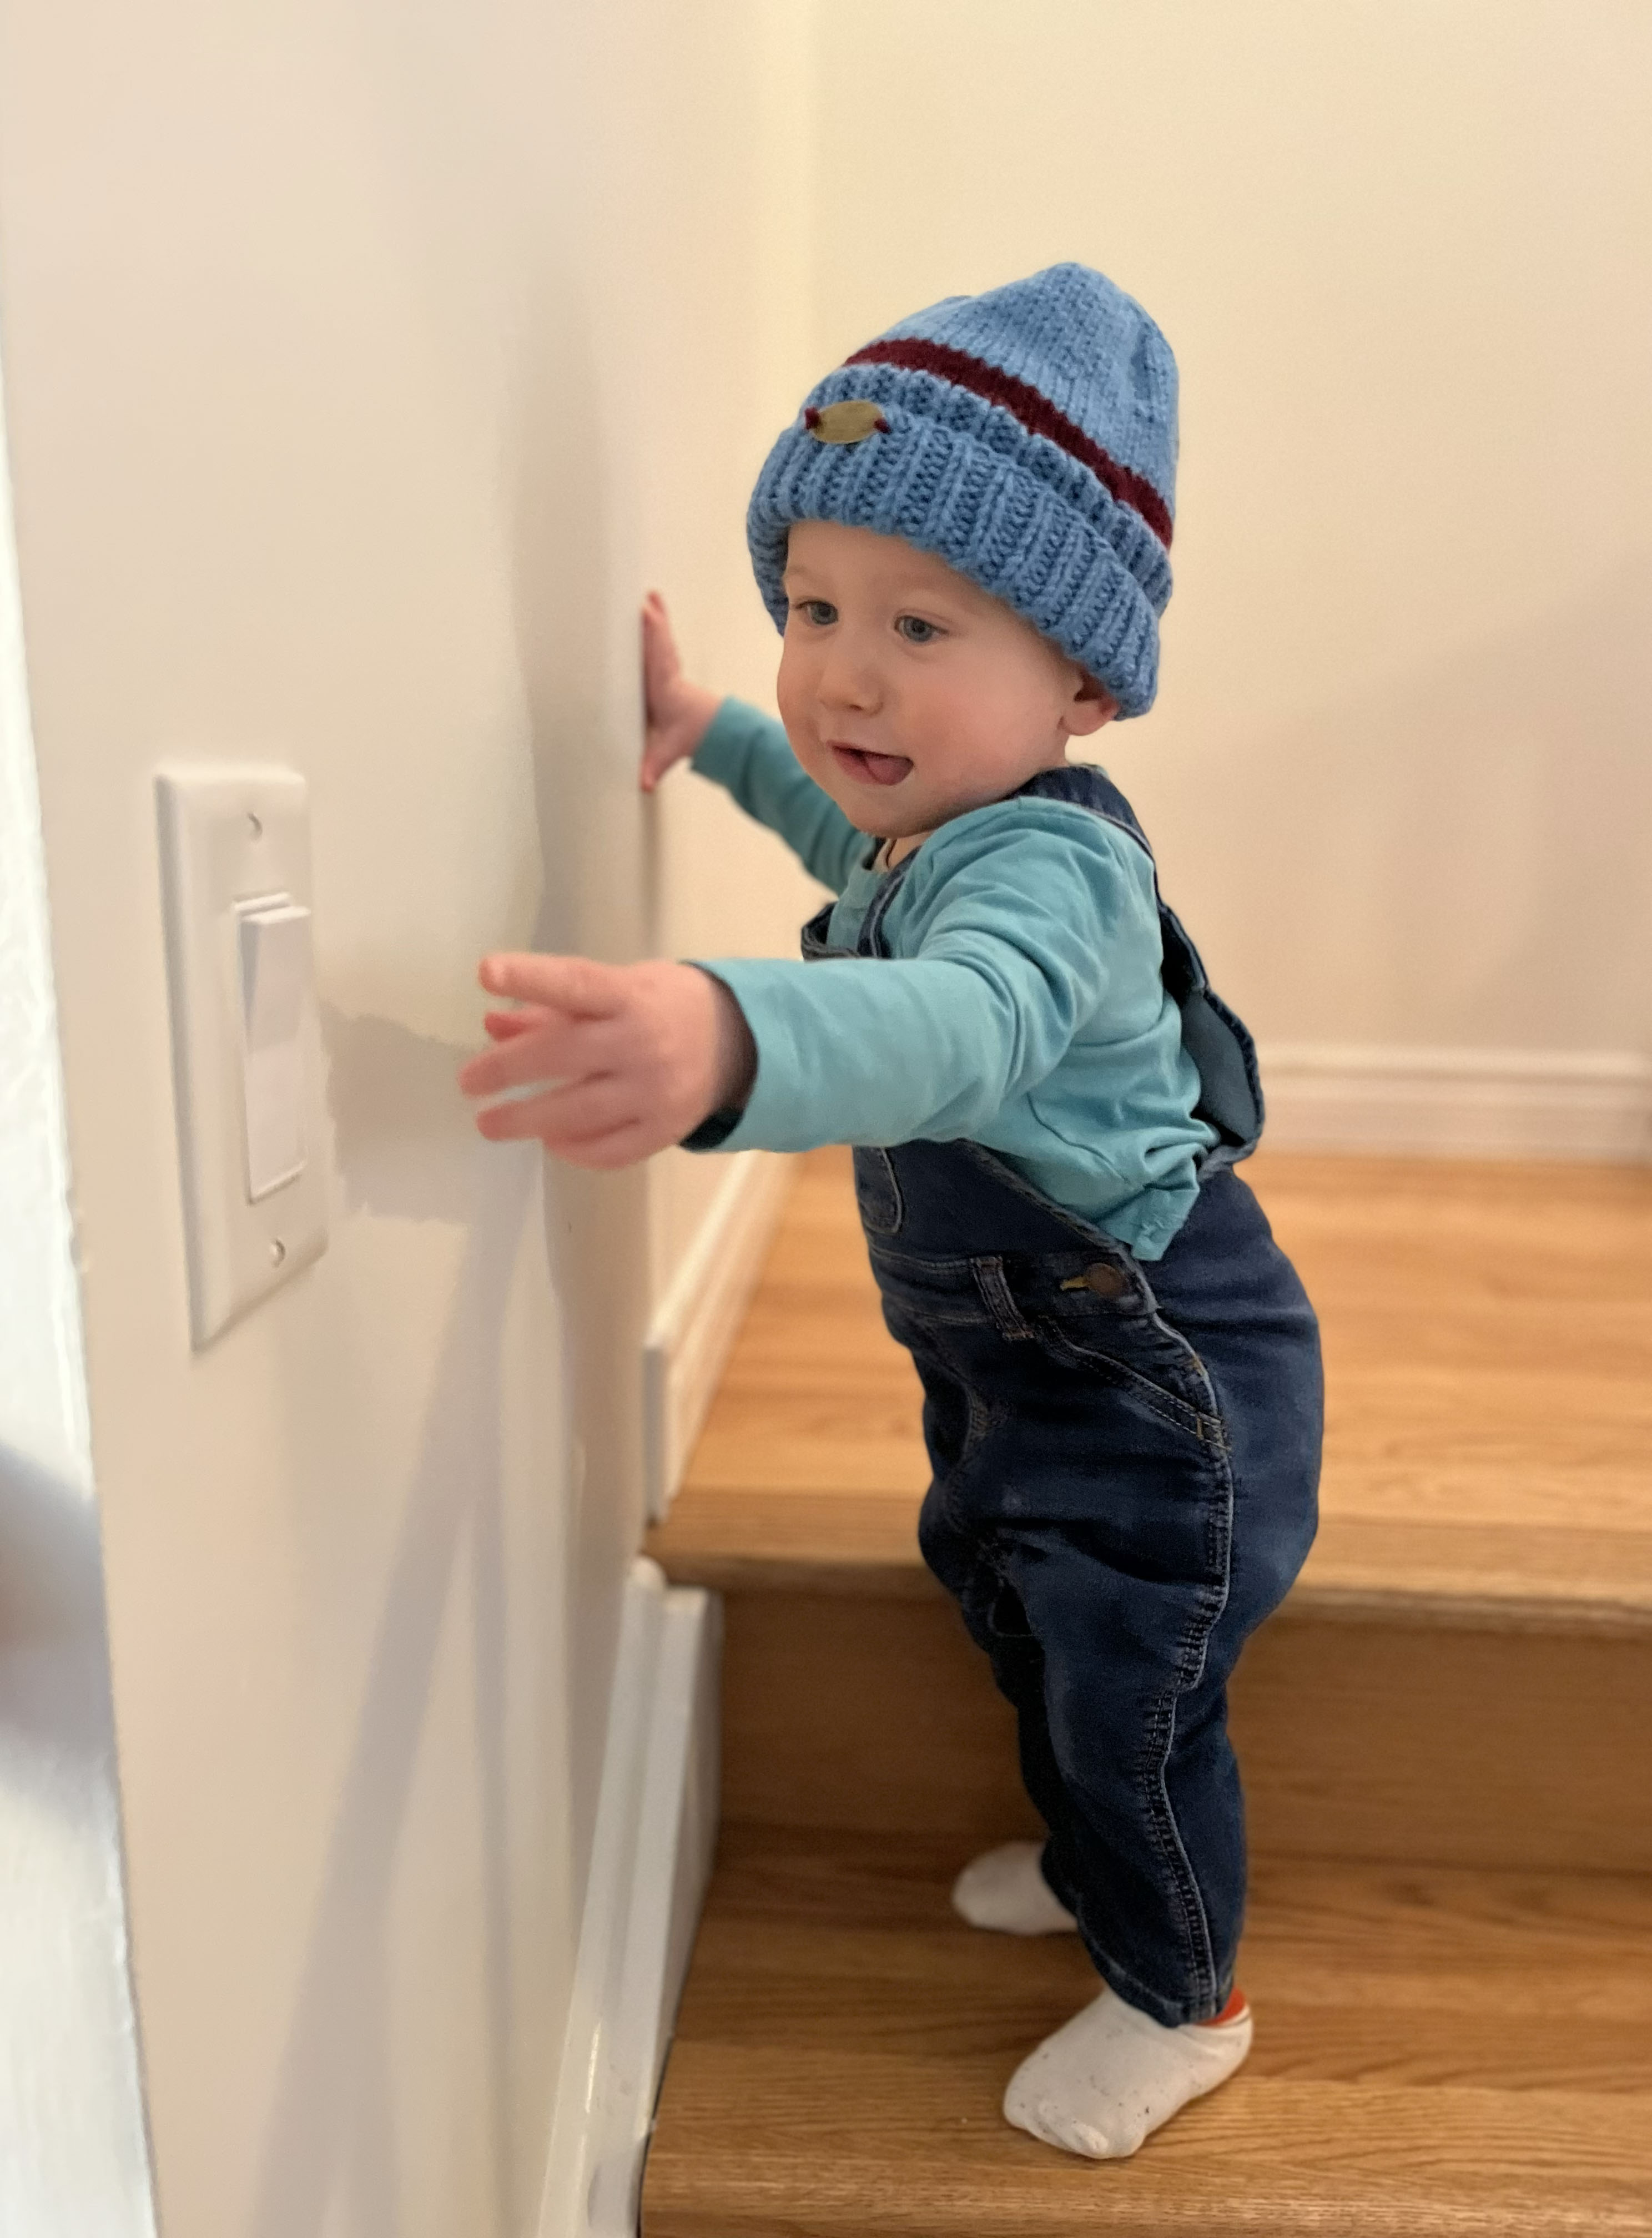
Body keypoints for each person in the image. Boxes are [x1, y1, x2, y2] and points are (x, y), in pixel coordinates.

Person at [457, 263, 1323, 2160]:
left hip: (1159, 1371)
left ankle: (1189, 1993)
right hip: (1026, 1361)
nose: (848, 671)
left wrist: (731, 1030)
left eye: (922, 624)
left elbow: (958, 1026)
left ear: (1081, 680)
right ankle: (1103, 1858)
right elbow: (825, 813)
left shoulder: (1044, 892)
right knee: (1013, 1614)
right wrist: (706, 723)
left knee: (1133, 1686)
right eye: (819, 608)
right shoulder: (930, 812)